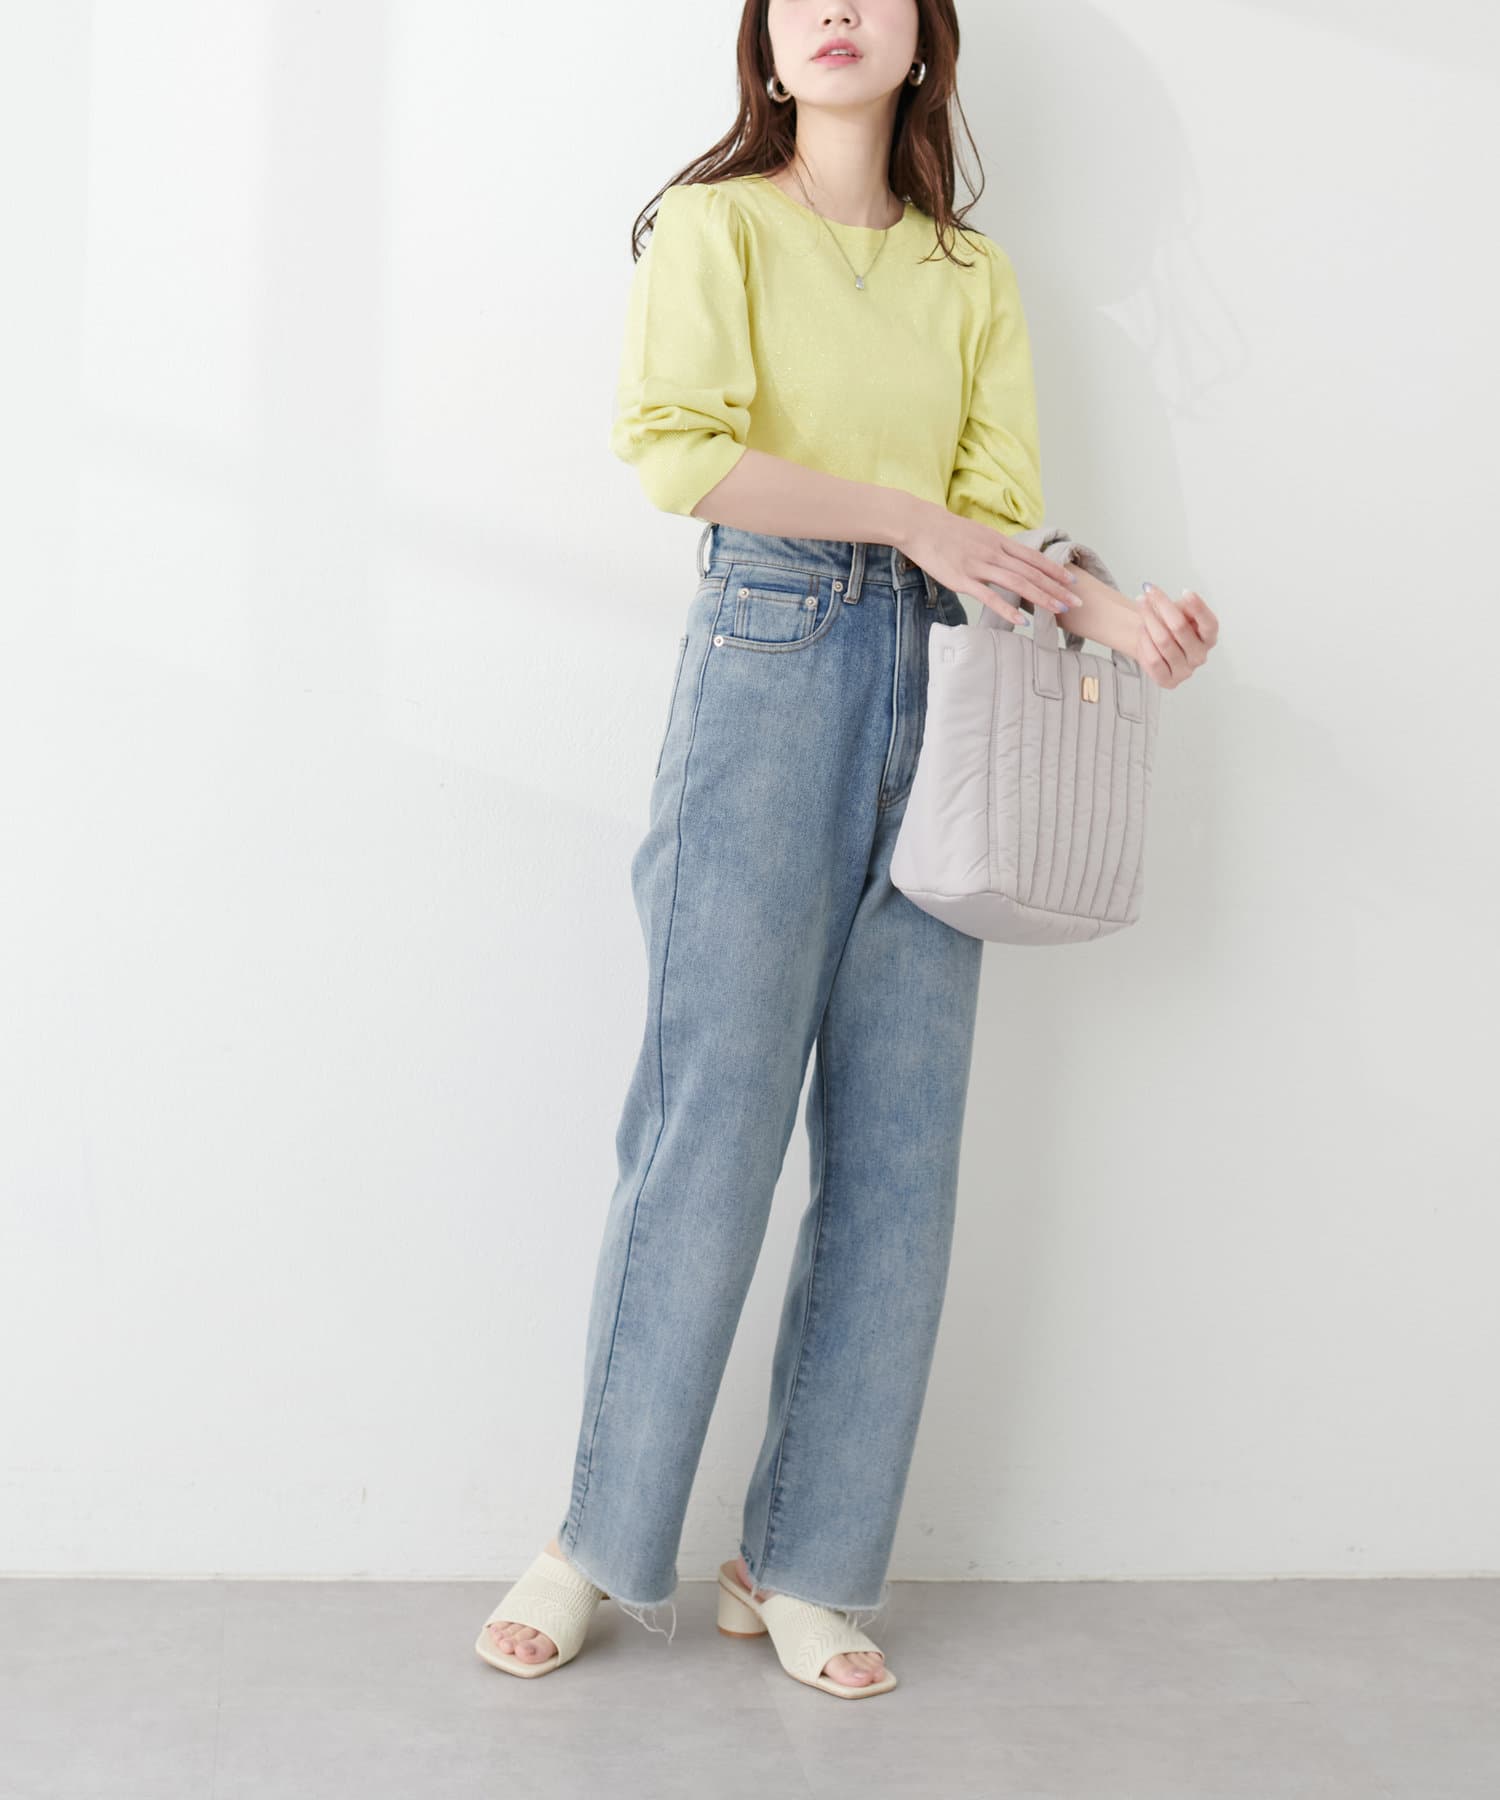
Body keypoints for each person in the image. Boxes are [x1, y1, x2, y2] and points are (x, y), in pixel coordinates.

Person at [476, 0, 1217, 1702]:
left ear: (924, 39)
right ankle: (595, 1541)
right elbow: (680, 456)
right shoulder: (716, 226)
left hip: (951, 686)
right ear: (760, 38)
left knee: (899, 1148)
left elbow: (994, 523)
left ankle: (802, 1560)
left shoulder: (973, 278)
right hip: (770, 659)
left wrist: (1122, 619)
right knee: (709, 1123)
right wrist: (903, 518)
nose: (832, 9)